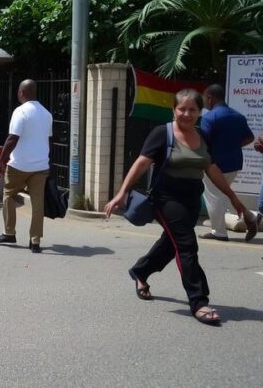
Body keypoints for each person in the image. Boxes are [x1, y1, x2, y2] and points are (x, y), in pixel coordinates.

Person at [104, 89, 249, 325]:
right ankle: (199, 301)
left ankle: (140, 271)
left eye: (192, 109)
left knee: (171, 244)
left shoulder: (203, 136)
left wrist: (233, 197)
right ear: (174, 109)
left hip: (191, 198)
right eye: (182, 108)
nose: (186, 113)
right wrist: (121, 193)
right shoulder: (162, 133)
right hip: (166, 198)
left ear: (200, 112)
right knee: (186, 245)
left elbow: (211, 168)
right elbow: (141, 163)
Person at [0, 79, 52, 253]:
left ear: (22, 92)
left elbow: (12, 138)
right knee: (37, 203)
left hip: (19, 165)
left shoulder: (21, 112)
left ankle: (9, 232)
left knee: (8, 195)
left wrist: (0, 161)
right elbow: (49, 141)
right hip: (40, 166)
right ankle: (35, 241)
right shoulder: (46, 114)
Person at [198, 84, 258, 242]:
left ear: (210, 98)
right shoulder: (238, 116)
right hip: (235, 163)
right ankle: (251, 216)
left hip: (215, 165)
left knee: (214, 196)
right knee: (223, 194)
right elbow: (250, 138)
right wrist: (232, 146)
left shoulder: (209, 118)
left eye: (205, 98)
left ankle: (219, 232)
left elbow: (204, 143)